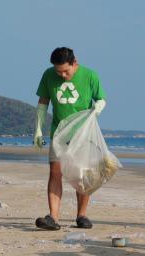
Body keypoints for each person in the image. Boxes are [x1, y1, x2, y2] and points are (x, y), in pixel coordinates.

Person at [33, 47, 107, 230]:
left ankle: (81, 215)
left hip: (84, 134)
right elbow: (43, 103)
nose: (62, 75)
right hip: (59, 133)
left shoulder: (90, 75)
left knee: (82, 174)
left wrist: (97, 108)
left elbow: (102, 99)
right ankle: (53, 217)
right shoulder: (48, 75)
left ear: (75, 63)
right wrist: (38, 130)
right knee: (55, 172)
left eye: (66, 70)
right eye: (59, 71)